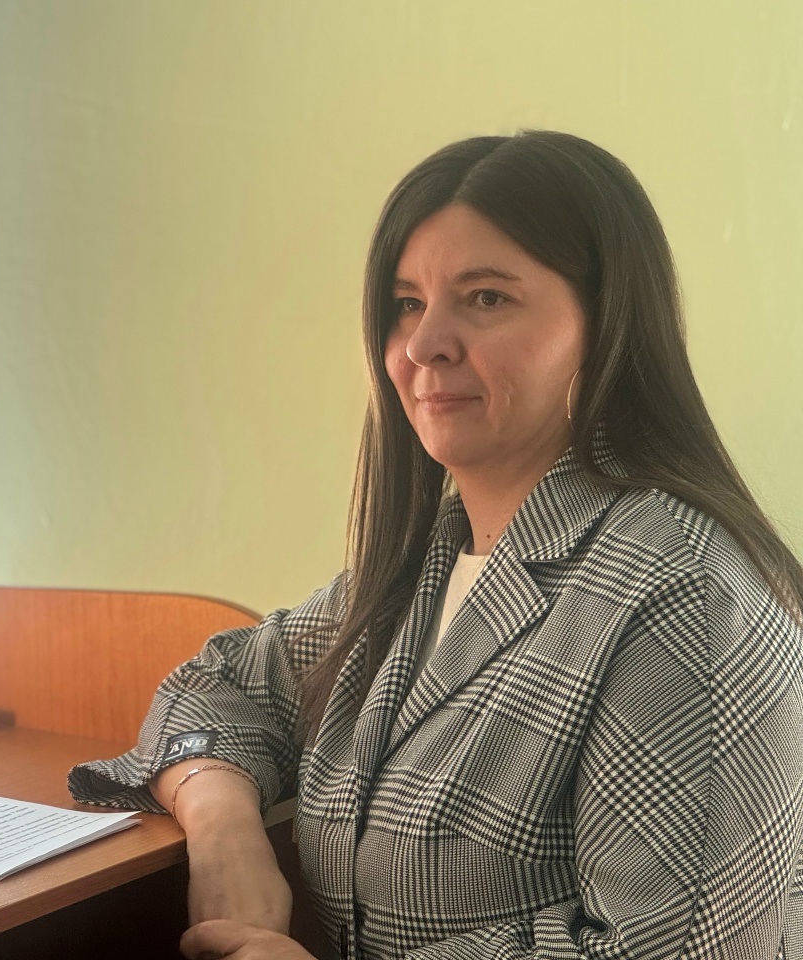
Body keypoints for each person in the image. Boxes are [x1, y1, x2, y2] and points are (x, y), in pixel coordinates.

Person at [68, 130, 803, 960]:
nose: (423, 345)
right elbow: (218, 683)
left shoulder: (684, 592)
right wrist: (221, 824)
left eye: (486, 298)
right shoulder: (430, 564)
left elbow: (675, 951)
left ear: (607, 327)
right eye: (407, 303)